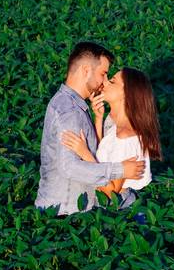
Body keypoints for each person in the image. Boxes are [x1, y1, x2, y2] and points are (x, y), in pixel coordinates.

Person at [35, 42, 146, 215]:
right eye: (103, 73)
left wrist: (98, 120)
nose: (104, 81)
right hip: (66, 211)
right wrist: (121, 169)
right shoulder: (70, 111)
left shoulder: (68, 103)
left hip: (63, 207)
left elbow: (96, 153)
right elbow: (69, 167)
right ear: (86, 70)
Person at [61, 67, 162, 209]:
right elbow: (105, 153)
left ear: (127, 94)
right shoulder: (116, 123)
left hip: (117, 207)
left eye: (112, 82)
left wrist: (84, 153)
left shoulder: (125, 138)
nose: (105, 83)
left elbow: (111, 192)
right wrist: (98, 118)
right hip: (108, 201)